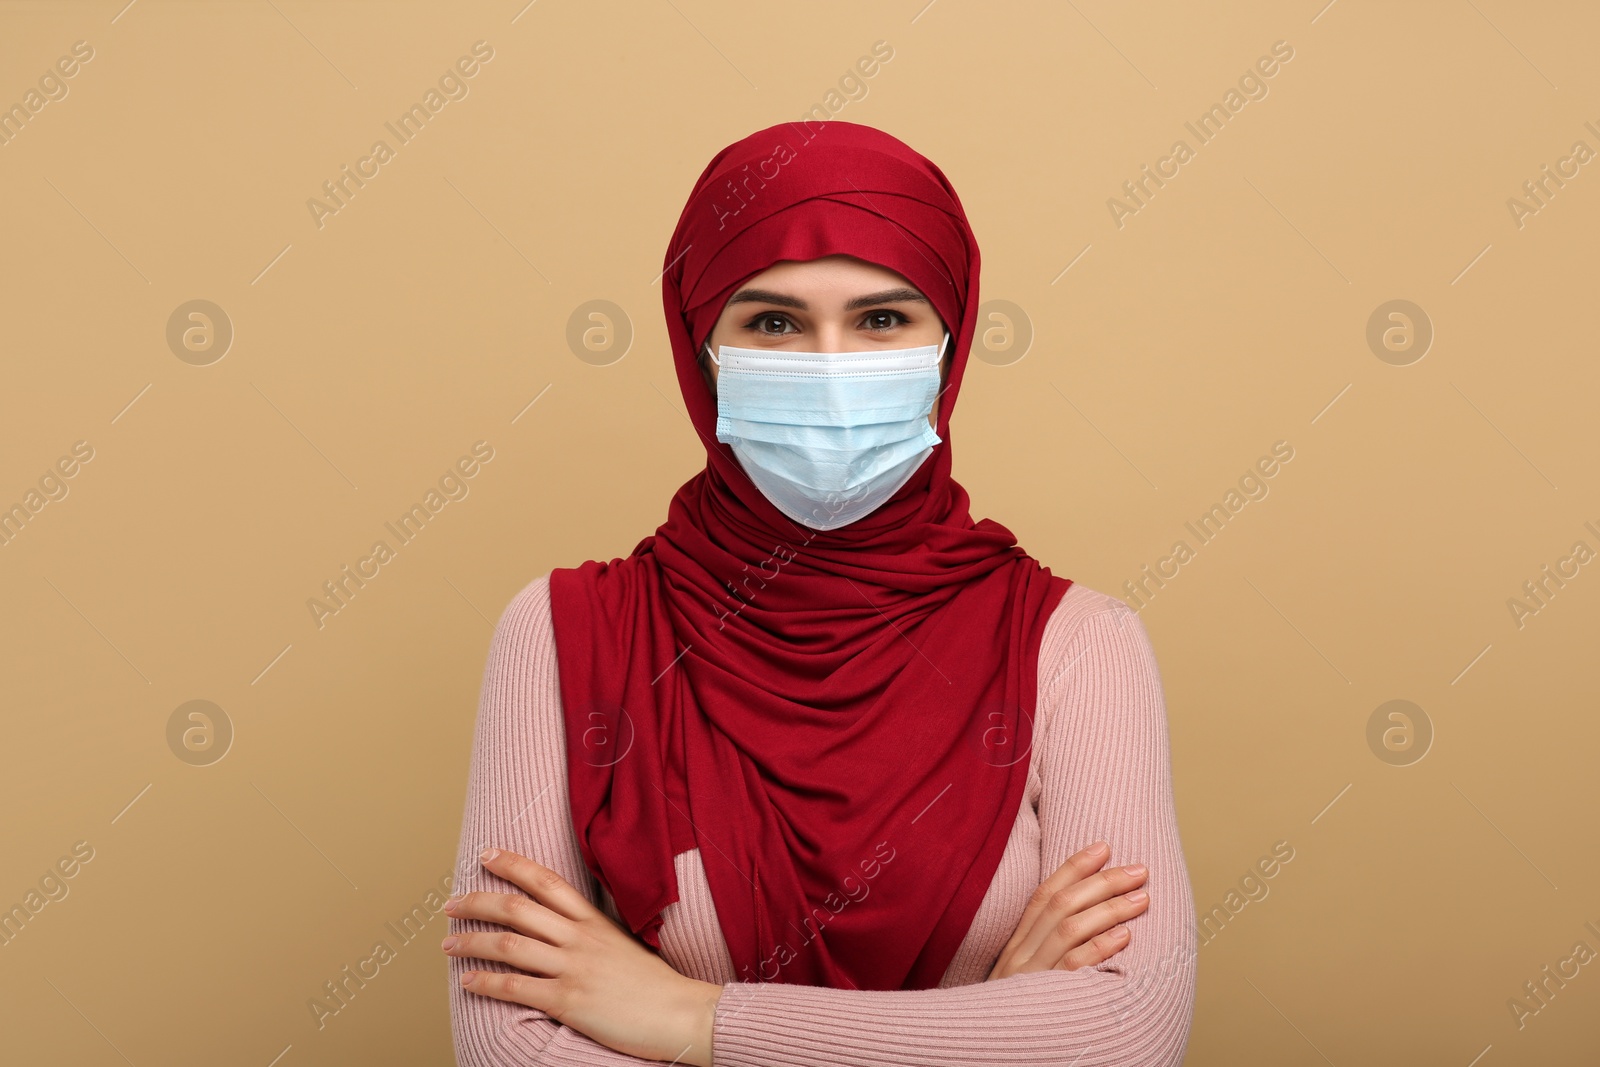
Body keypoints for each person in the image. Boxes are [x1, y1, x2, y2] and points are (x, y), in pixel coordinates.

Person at [442, 120, 1197, 1066]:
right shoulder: (566, 635)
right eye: (772, 321)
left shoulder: (1078, 645)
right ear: (700, 349)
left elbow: (1124, 1039)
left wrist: (692, 1019)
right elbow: (508, 1049)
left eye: (882, 319)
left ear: (948, 350)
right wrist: (984, 1031)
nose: (831, 364)